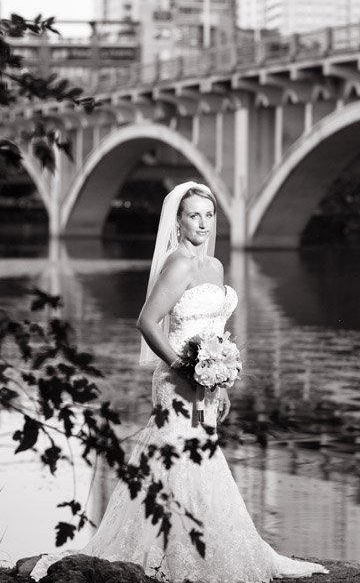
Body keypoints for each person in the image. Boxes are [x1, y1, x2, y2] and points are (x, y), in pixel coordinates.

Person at [30, 181, 328, 582]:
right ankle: (168, 551)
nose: (202, 223)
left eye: (208, 215)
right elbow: (147, 322)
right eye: (194, 215)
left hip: (205, 382)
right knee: (180, 461)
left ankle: (199, 545)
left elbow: (214, 331)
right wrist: (183, 367)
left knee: (202, 460)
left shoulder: (216, 266)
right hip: (176, 380)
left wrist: (218, 381)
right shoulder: (179, 264)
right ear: (179, 221)